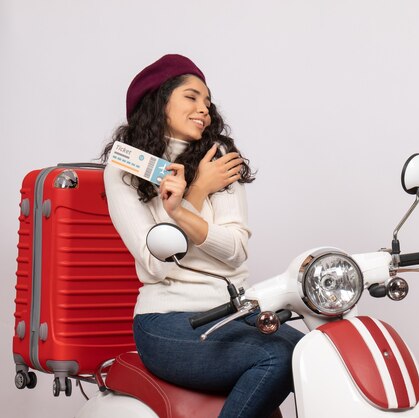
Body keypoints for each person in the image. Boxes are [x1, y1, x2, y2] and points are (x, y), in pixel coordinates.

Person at [101, 54, 303, 418]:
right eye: (191, 97)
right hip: (166, 320)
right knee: (278, 355)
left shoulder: (219, 158)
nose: (203, 109)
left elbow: (236, 251)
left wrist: (185, 210)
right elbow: (155, 263)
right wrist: (194, 195)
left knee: (307, 349)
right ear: (160, 102)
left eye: (207, 101)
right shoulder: (124, 168)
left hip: (230, 313)